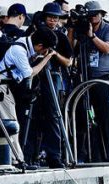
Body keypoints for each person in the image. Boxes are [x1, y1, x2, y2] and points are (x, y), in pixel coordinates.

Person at [0, 25, 57, 165]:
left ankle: (16, 159)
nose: (45, 52)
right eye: (45, 49)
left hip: (8, 85)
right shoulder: (20, 50)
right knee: (11, 123)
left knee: (12, 123)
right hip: (1, 85)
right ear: (40, 45)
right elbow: (30, 73)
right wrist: (47, 58)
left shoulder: (24, 43)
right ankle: (17, 160)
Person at [23, 2, 73, 168]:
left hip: (53, 77)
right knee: (31, 115)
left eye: (56, 18)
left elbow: (68, 62)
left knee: (53, 116)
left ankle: (54, 156)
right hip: (35, 76)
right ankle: (28, 156)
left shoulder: (61, 37)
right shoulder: (34, 32)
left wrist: (54, 54)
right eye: (50, 17)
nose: (53, 21)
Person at [77, 0, 109, 162]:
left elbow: (107, 48)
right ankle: (82, 153)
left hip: (102, 77)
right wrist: (73, 28)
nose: (93, 18)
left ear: (101, 15)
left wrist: (92, 36)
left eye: (95, 14)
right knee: (81, 115)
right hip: (84, 75)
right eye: (90, 15)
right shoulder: (82, 26)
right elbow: (71, 47)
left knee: (105, 116)